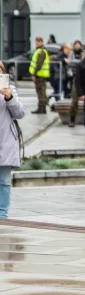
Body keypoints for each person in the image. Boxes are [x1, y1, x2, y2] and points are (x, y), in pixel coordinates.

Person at [0, 62, 25, 218]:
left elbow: (20, 113)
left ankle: (2, 214)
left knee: (4, 181)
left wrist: (9, 97)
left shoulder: (10, 90)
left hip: (5, 140)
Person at [27, 37, 50, 114]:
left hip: (40, 75)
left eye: (39, 41)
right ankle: (41, 107)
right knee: (41, 92)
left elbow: (39, 64)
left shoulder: (41, 52)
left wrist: (34, 74)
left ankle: (42, 108)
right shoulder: (39, 51)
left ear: (42, 42)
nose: (37, 43)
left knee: (41, 92)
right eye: (36, 41)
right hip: (40, 75)